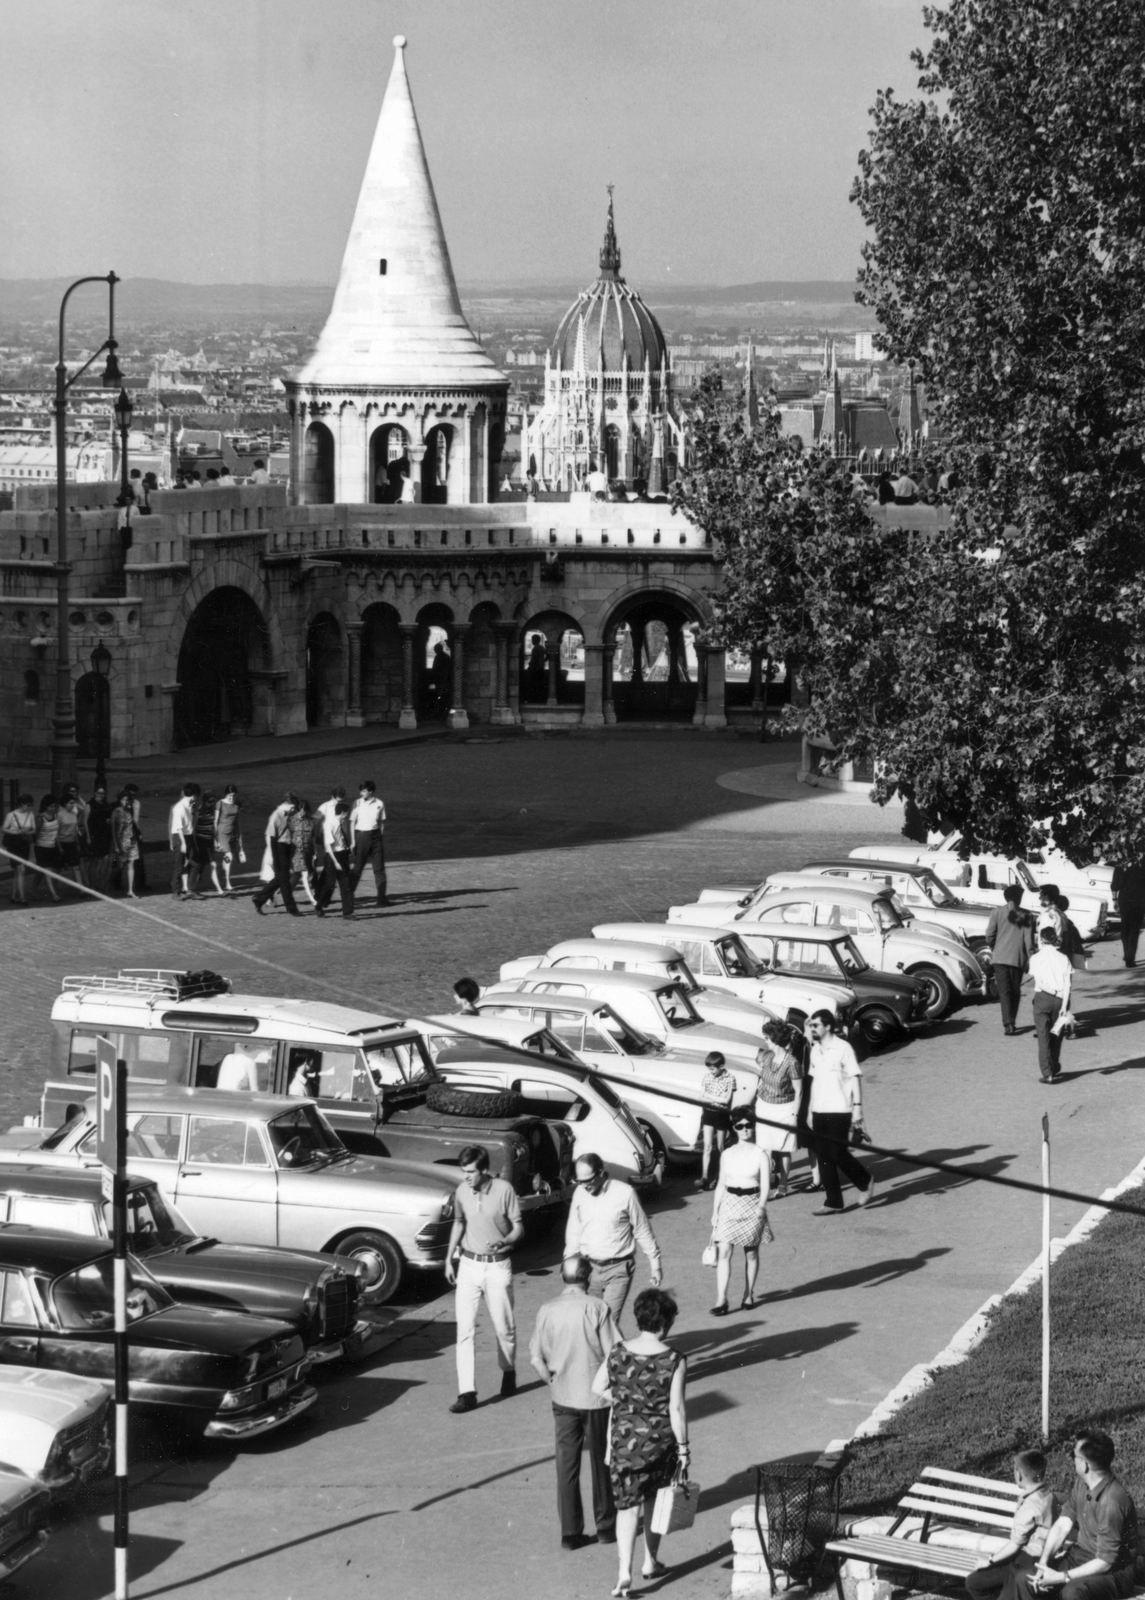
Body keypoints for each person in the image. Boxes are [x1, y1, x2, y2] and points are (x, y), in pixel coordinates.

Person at [591, 1287, 689, 1598]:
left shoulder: (618, 1351)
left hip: (623, 1441)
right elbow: (676, 1408)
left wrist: (625, 1401)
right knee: (654, 1503)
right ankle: (650, 1562)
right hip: (660, 1443)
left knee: (627, 1508)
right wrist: (684, 1449)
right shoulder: (674, 1359)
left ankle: (623, 1573)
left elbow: (597, 1387)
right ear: (666, 1322)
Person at [529, 1254, 619, 1551]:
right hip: (596, 1400)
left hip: (563, 1399)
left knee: (566, 1466)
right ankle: (606, 1527)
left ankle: (570, 1532)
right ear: (588, 1277)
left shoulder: (546, 1310)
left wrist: (553, 1382)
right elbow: (615, 1354)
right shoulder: (597, 1307)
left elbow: (536, 1359)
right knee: (601, 1464)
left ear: (561, 1278)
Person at [1000, 1430, 1138, 1600]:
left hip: (1115, 1571)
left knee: (1072, 1593)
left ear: (1085, 1465)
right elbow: (1062, 1524)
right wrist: (1044, 1563)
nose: (1072, 1458)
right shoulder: (1082, 1483)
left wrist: (1061, 1576)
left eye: (1075, 1455)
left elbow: (1105, 1561)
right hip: (1079, 1556)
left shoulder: (1111, 1502)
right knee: (1025, 1578)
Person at [444, 1144, 523, 1414]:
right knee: (464, 1330)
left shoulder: (504, 1190)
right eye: (463, 1171)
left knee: (504, 1327)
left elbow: (518, 1227)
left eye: (471, 1172)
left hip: (497, 1267)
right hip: (468, 1264)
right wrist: (448, 1259)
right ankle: (467, 1392)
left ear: (485, 1170)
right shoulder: (462, 1191)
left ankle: (508, 1369)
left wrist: (506, 1241)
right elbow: (459, 1223)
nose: (466, 1177)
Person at [564, 1153, 662, 1327]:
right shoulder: (579, 1193)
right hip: (587, 1269)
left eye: (588, 1180)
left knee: (608, 1322)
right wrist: (567, 1264)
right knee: (591, 1321)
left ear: (601, 1173)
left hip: (618, 1269)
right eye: (579, 1181)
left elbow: (642, 1229)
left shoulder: (625, 1193)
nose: (584, 1186)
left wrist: (655, 1265)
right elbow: (573, 1230)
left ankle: (613, 1353)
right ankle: (610, 1353)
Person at [806, 1010, 874, 1215]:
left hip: (840, 1108)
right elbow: (814, 1081)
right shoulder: (815, 1050)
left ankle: (865, 1181)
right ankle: (833, 1202)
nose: (812, 1029)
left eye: (815, 1025)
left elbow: (855, 1077)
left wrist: (858, 1109)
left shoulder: (844, 1048)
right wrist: (810, 1109)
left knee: (837, 1152)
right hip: (819, 1109)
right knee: (823, 1155)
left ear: (828, 1026)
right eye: (811, 1026)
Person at [966, 1448, 1057, 1598]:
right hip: (1023, 1559)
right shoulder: (1047, 1493)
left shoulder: (1030, 1506)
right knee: (974, 1582)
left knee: (974, 1584)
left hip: (1028, 1562)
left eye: (1014, 1470)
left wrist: (989, 1561)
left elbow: (1015, 1545)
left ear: (1019, 1475)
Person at [709, 1107, 770, 1315]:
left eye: (749, 1125)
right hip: (729, 1203)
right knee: (724, 1252)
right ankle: (721, 1299)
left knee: (751, 1253)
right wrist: (715, 1211)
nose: (745, 1130)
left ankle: (748, 1294)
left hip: (752, 1204)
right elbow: (720, 1185)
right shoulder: (726, 1154)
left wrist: (762, 1205)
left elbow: (766, 1185)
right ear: (734, 1128)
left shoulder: (760, 1154)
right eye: (740, 1126)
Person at [753, 1020, 805, 1197]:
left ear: (774, 1039)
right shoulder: (767, 1057)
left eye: (767, 1038)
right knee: (765, 1148)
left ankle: (783, 1184)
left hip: (784, 1109)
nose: (765, 1041)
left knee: (783, 1148)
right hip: (764, 1107)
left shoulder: (792, 1063)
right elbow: (761, 1081)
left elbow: (799, 1091)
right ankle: (766, 1186)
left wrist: (794, 1116)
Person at [986, 886, 1036, 1035]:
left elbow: (989, 935)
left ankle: (1008, 1024)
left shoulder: (996, 913)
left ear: (1006, 897)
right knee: (1015, 991)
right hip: (1017, 959)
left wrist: (995, 946)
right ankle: (1011, 1021)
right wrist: (1030, 957)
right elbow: (1029, 940)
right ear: (1019, 897)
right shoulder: (1027, 915)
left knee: (1004, 991)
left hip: (1000, 958)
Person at [1026, 927, 1072, 1082]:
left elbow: (1039, 982)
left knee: (1043, 1035)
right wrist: (1064, 1006)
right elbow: (1068, 984)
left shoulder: (1035, 958)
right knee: (1056, 1034)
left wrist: (1053, 992)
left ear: (1041, 939)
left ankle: (1048, 1073)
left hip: (1042, 999)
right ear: (1055, 939)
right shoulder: (1064, 958)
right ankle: (1054, 1064)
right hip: (1061, 1000)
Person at [252, 792, 301, 916]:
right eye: (292, 807)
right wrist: (275, 857)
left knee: (280, 878)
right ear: (285, 803)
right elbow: (271, 838)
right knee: (284, 880)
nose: (293, 809)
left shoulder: (287, 814)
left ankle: (259, 898)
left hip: (286, 848)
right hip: (279, 848)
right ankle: (291, 908)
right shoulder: (276, 816)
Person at [699, 1051, 735, 1190]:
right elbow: (701, 1097)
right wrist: (716, 1097)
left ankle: (722, 1175)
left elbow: (726, 1100)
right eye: (709, 1069)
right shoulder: (707, 1077)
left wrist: (709, 1095)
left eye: (713, 1069)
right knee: (707, 1146)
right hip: (708, 1113)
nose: (711, 1072)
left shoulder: (730, 1078)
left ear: (721, 1066)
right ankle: (704, 1176)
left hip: (721, 1115)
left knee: (720, 1146)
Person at [349, 779, 387, 908]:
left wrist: (379, 838)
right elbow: (352, 822)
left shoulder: (379, 804)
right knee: (357, 868)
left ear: (370, 791)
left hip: (376, 836)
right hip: (361, 836)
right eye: (361, 790)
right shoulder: (357, 803)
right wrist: (353, 841)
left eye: (364, 791)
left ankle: (381, 898)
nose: (361, 793)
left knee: (379, 868)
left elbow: (381, 823)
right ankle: (348, 896)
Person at [314, 795, 354, 919]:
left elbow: (341, 839)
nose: (347, 816)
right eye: (346, 813)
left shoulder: (341, 823)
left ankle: (347, 913)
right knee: (328, 884)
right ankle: (319, 905)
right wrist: (336, 862)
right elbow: (328, 846)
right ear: (342, 813)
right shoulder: (330, 825)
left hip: (342, 855)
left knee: (346, 885)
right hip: (332, 857)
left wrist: (347, 848)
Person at [2, 793, 37, 905]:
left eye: (31, 805)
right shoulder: (11, 815)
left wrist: (26, 832)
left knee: (18, 871)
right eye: (28, 805)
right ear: (22, 804)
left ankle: (13, 896)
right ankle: (22, 897)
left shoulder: (30, 814)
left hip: (24, 843)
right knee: (21, 869)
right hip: (13, 844)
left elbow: (34, 830)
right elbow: (3, 829)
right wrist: (15, 832)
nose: (30, 807)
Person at [169, 783, 200, 899]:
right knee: (179, 865)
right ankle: (175, 892)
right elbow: (178, 827)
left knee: (195, 863)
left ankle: (191, 890)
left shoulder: (191, 804)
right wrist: (183, 843)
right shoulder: (179, 808)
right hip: (179, 836)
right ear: (194, 795)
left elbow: (192, 819)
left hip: (189, 835)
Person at [1111, 861, 1145, 967]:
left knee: (1125, 927)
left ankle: (1127, 955)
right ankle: (1130, 958)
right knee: (1134, 929)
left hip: (1124, 899)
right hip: (1139, 900)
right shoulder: (1142, 865)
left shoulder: (1120, 866)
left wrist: (1115, 900)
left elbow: (1115, 885)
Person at [213, 784, 245, 894]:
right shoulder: (220, 803)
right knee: (229, 856)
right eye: (229, 795)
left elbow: (238, 821)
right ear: (226, 794)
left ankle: (222, 873)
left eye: (233, 795)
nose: (231, 798)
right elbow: (215, 821)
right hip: (222, 833)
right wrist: (215, 838)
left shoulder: (237, 804)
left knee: (227, 858)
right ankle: (227, 883)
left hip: (232, 833)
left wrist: (239, 837)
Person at [56, 785, 88, 892]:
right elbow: (56, 832)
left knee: (76, 866)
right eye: (71, 803)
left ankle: (81, 889)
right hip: (62, 843)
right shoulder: (60, 814)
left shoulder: (74, 814)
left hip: (72, 842)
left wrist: (77, 844)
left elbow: (75, 830)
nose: (73, 804)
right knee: (57, 868)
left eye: (73, 802)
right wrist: (59, 847)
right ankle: (53, 888)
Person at [110, 791, 140, 898]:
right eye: (123, 799)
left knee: (131, 864)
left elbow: (132, 825)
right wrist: (116, 845)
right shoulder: (116, 812)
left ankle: (130, 890)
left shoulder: (129, 811)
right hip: (121, 842)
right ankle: (108, 881)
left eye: (127, 799)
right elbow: (113, 830)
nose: (126, 801)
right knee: (120, 866)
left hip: (131, 841)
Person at [32, 796, 62, 902]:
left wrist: (59, 847)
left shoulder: (55, 816)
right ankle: (54, 895)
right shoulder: (40, 818)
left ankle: (34, 888)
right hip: (42, 848)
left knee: (44, 871)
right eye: (51, 806)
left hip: (52, 847)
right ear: (45, 806)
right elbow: (35, 833)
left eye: (54, 806)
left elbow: (56, 834)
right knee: (47, 870)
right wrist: (39, 843)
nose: (53, 808)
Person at [289, 798, 318, 905]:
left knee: (296, 876)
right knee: (304, 874)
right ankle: (312, 898)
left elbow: (313, 838)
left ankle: (276, 895)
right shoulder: (291, 820)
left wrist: (315, 851)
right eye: (300, 810)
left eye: (304, 811)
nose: (302, 813)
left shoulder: (310, 822)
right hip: (295, 852)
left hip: (306, 851)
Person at [85, 784, 114, 894]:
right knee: (94, 861)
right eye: (99, 793)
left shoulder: (106, 805)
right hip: (94, 835)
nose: (101, 795)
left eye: (103, 793)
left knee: (105, 860)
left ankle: (102, 884)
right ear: (94, 793)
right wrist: (88, 836)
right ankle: (92, 885)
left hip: (105, 835)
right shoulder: (89, 805)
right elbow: (85, 821)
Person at [192, 791, 222, 895]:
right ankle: (220, 890)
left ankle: (191, 887)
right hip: (201, 842)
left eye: (213, 801)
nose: (212, 803)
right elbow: (194, 829)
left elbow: (212, 828)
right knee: (213, 864)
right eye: (210, 801)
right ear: (204, 801)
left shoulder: (211, 811)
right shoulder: (198, 812)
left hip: (209, 842)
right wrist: (195, 844)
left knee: (200, 866)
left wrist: (217, 841)